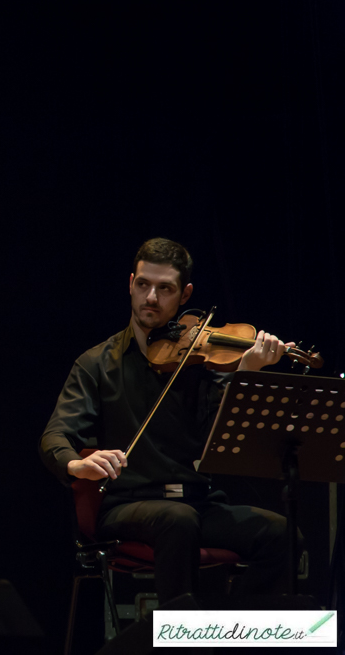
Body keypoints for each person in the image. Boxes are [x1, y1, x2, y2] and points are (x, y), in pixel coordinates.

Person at [39, 237, 296, 603]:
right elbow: (55, 434)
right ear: (131, 284)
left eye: (165, 289)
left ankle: (233, 635)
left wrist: (246, 372)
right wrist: (78, 464)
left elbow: (219, 440)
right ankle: (177, 640)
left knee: (283, 535)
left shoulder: (204, 360)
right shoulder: (96, 363)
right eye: (143, 285)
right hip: (127, 505)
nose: (151, 298)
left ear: (185, 294)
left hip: (197, 502)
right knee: (177, 520)